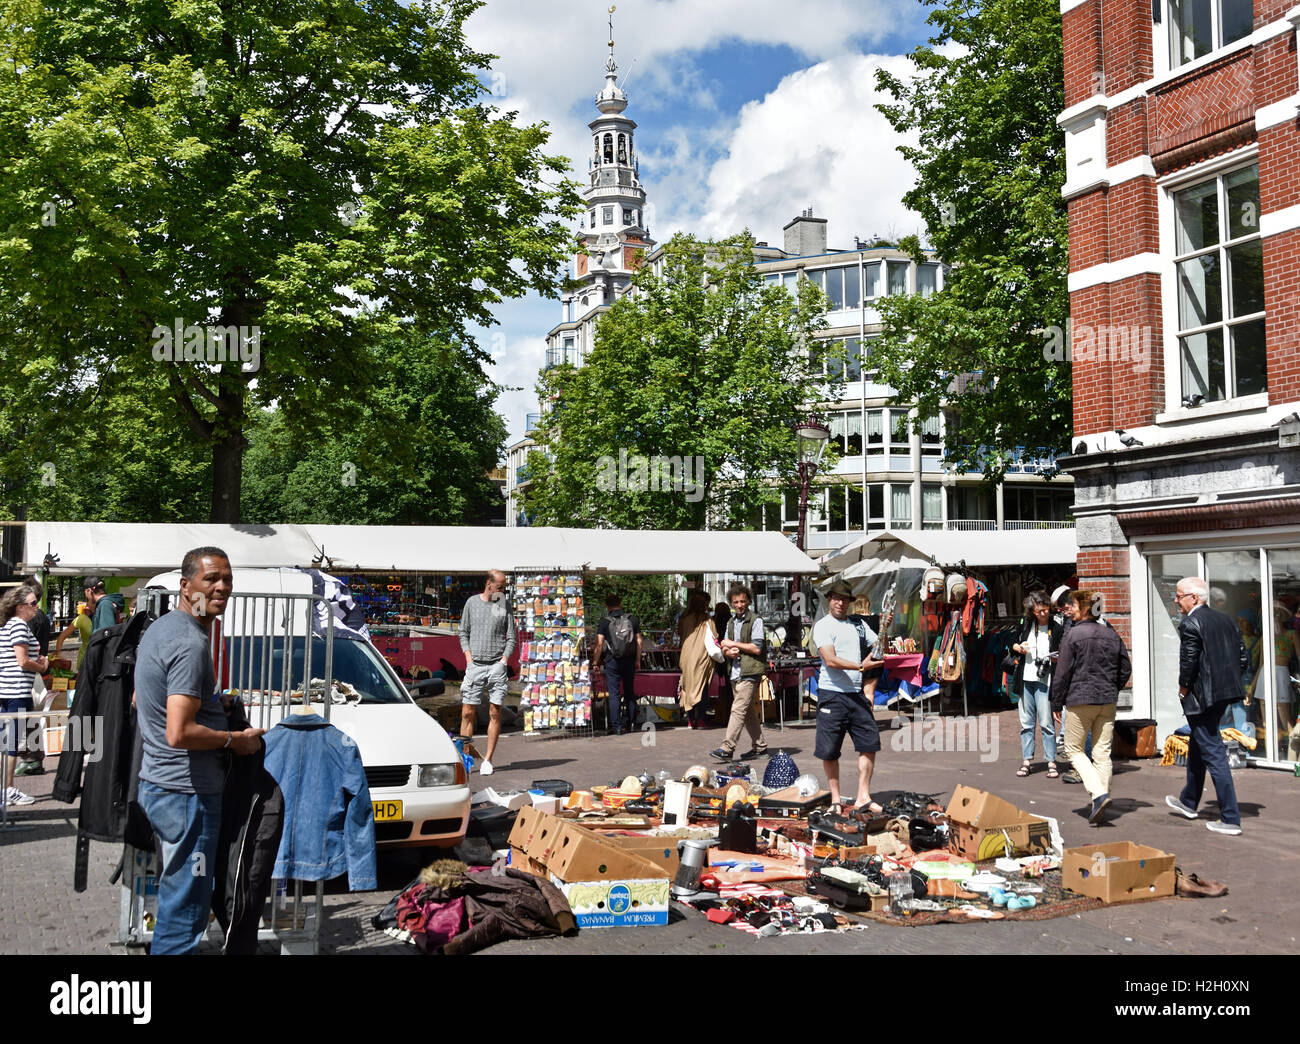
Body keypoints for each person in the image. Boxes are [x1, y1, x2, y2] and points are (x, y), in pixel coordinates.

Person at [134, 547, 265, 954]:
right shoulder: (190, 643)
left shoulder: (161, 629)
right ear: (185, 585)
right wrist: (234, 740)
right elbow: (179, 732)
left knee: (180, 896)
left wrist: (211, 704)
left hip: (162, 785)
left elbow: (142, 700)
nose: (221, 587)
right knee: (186, 908)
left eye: (227, 578)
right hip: (185, 794)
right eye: (211, 579)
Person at [1165, 577, 1247, 835]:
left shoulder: (1191, 622)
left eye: (1179, 596)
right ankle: (1189, 801)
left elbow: (1188, 661)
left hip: (1202, 697)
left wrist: (1183, 687)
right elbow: (1242, 657)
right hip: (1223, 694)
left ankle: (1230, 818)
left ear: (1194, 598)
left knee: (1212, 751)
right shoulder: (1226, 620)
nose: (1176, 600)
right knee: (1200, 745)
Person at [1051, 589, 1131, 826]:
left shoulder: (1073, 635)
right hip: (1107, 700)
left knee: (1074, 749)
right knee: (1102, 752)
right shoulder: (1111, 634)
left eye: (1074, 605)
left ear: (1085, 608)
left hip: (1080, 698)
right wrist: (1113, 688)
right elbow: (1125, 668)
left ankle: (1098, 795)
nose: (1070, 609)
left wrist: (1057, 701)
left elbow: (1062, 672)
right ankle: (1101, 799)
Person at [811, 580, 887, 813]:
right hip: (832, 694)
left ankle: (863, 796)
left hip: (856, 694)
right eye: (836, 598)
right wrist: (861, 667)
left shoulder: (858, 624)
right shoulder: (823, 626)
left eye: (844, 599)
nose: (840, 603)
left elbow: (878, 645)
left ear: (850, 602)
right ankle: (835, 799)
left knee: (869, 743)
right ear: (829, 599)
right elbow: (831, 660)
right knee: (830, 749)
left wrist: (884, 630)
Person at [457, 570, 516, 775]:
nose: (502, 590)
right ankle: (465, 756)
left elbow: (510, 636)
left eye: (504, 587)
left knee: (495, 711)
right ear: (488, 584)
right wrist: (469, 659)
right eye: (500, 586)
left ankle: (488, 759)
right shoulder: (472, 603)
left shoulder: (501, 604)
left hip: (496, 665)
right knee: (467, 712)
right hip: (475, 664)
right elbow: (463, 631)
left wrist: (504, 660)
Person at [708, 585, 769, 762]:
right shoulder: (731, 622)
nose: (740, 605)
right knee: (747, 711)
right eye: (736, 602)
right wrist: (729, 652)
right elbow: (725, 646)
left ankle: (727, 748)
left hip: (750, 671)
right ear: (731, 604)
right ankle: (760, 747)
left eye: (743, 601)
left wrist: (734, 646)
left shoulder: (756, 620)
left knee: (737, 710)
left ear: (748, 601)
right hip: (735, 671)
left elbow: (757, 648)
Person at [0, 584, 49, 806]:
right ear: (20, 607)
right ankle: (8, 789)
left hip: (6, 688)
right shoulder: (19, 625)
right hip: (17, 689)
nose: (36, 608)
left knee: (5, 742)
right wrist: (42, 667)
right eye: (32, 604)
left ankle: (5, 788)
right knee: (11, 743)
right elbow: (22, 661)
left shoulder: (7, 625)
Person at [1011, 591, 1064, 778]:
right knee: (1026, 722)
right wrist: (1018, 648)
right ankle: (1026, 760)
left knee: (1047, 723)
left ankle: (1051, 761)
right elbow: (1013, 643)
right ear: (1032, 611)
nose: (1043, 614)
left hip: (1045, 680)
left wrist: (1055, 659)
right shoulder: (1026, 625)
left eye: (1046, 610)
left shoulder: (1056, 628)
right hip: (1026, 678)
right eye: (1039, 611)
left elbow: (1062, 653)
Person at [592, 593, 642, 735]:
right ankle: (632, 723)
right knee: (629, 692)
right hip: (630, 660)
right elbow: (639, 641)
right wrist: (637, 660)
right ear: (620, 603)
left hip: (612, 661)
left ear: (606, 605)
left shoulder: (604, 622)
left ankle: (617, 727)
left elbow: (600, 644)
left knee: (614, 694)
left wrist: (595, 661)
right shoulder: (632, 619)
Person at [677, 591, 722, 729]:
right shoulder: (707, 620)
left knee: (688, 688)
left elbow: (680, 635)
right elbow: (715, 636)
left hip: (686, 657)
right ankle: (701, 719)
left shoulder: (683, 619)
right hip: (702, 658)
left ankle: (691, 720)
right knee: (702, 689)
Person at [54, 601, 94, 672]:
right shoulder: (82, 618)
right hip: (84, 660)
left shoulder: (102, 617)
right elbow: (62, 636)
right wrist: (58, 654)